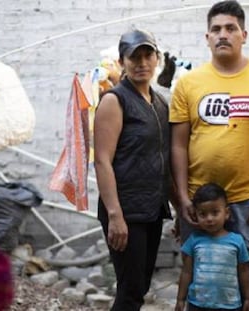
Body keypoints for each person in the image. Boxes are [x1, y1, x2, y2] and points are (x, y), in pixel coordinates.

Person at [169, 1, 249, 310]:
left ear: (244, 34)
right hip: (200, 206)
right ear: (207, 37)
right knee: (202, 281)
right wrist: (182, 199)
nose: (223, 35)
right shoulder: (188, 83)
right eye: (216, 29)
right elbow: (177, 145)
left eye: (230, 28)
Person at [94, 28, 171, 311]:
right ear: (122, 61)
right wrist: (115, 216)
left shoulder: (160, 102)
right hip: (124, 210)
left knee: (139, 288)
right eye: (133, 56)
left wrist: (175, 203)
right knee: (130, 293)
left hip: (151, 208)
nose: (141, 63)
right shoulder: (115, 101)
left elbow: (163, 159)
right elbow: (102, 160)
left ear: (157, 58)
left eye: (147, 55)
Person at [175, 183, 249, 311]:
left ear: (226, 213)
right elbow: (187, 272)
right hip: (198, 304)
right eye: (203, 214)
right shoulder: (194, 241)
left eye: (215, 212)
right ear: (196, 215)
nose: (209, 219)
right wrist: (180, 299)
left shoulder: (237, 241)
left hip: (229, 304)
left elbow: (244, 271)